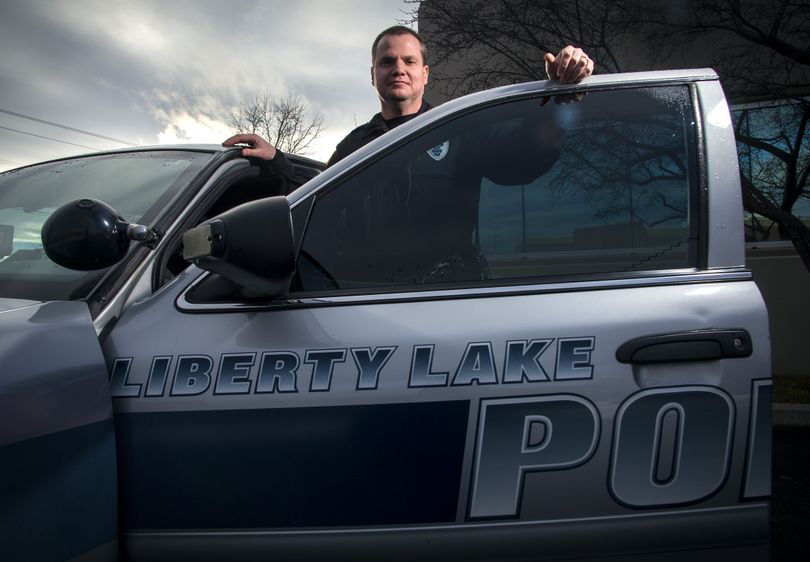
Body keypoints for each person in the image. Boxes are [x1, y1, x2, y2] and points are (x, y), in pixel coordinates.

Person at [222, 26, 594, 194]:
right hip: (366, 296)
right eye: (387, 62)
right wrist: (276, 160)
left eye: (408, 61)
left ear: (424, 73)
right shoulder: (354, 146)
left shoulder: (457, 130)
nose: (398, 68)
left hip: (444, 297)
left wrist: (560, 95)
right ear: (373, 75)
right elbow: (318, 196)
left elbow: (524, 159)